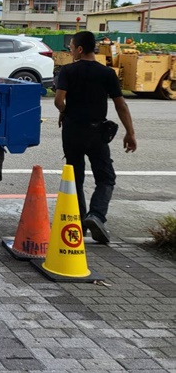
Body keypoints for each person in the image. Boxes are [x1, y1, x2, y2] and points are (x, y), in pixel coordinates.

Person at [54, 31, 136, 244]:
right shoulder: (107, 73)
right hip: (96, 131)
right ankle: (96, 216)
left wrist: (64, 111)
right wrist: (130, 132)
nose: (70, 50)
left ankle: (79, 223)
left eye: (71, 47)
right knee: (106, 177)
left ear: (80, 49)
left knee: (75, 177)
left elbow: (58, 100)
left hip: (72, 131)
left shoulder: (68, 71)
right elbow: (121, 104)